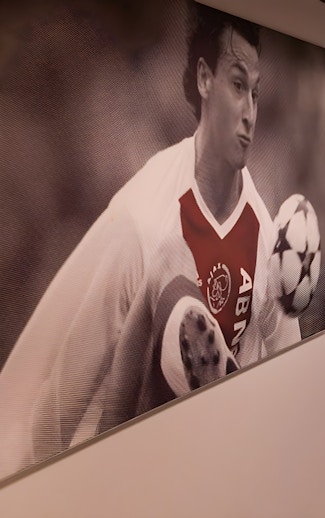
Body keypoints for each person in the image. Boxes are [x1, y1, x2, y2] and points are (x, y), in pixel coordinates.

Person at [0, 4, 300, 479]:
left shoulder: (260, 220)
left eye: (256, 93)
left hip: (218, 468)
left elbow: (284, 358)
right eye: (238, 86)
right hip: (134, 467)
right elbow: (58, 408)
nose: (250, 112)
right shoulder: (141, 220)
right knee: (166, 274)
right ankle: (175, 316)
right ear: (203, 79)